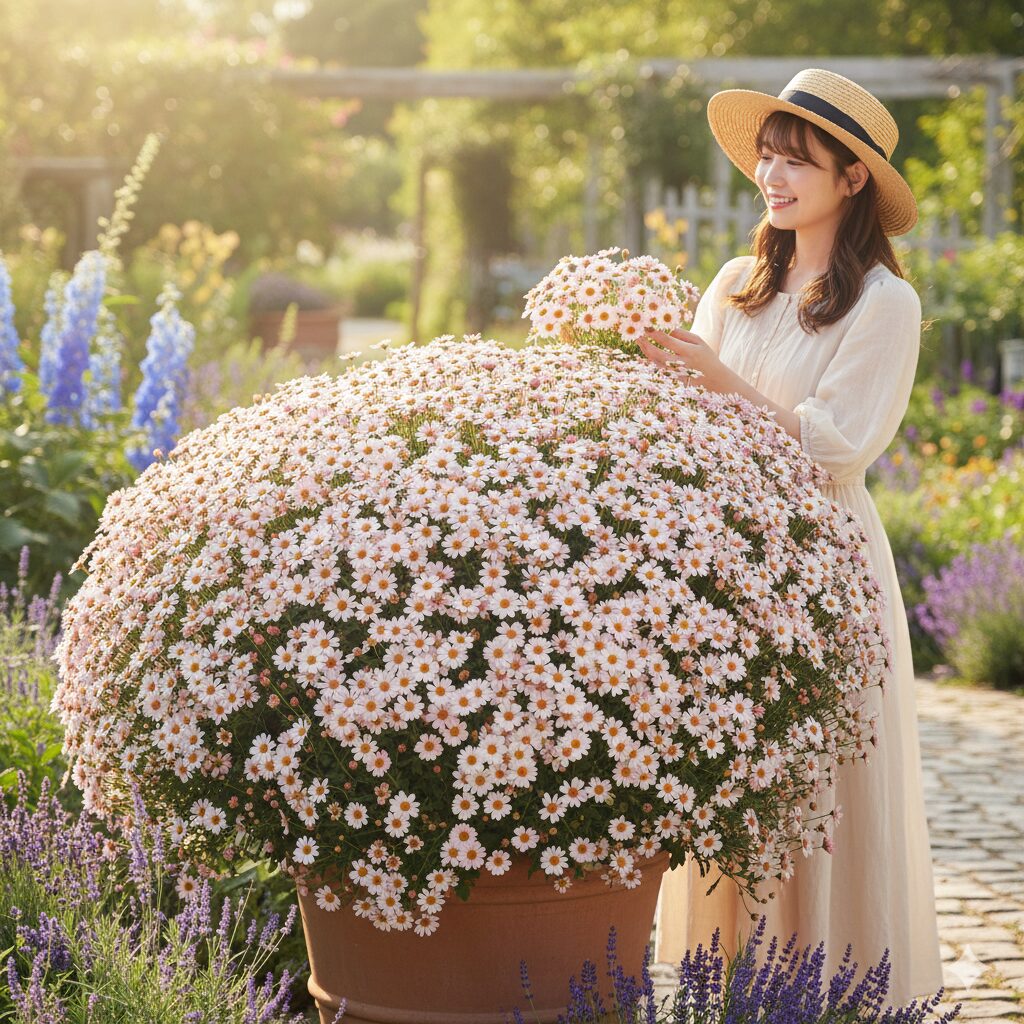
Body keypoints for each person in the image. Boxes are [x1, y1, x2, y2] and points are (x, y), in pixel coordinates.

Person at [637, 68, 944, 1005]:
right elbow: (684, 413)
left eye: (797, 161)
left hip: (826, 562)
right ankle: (730, 989)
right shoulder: (736, 283)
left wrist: (721, 386)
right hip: (729, 559)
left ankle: (839, 990)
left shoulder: (886, 304)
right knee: (739, 777)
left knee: (825, 786)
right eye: (767, 157)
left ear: (854, 179)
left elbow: (837, 444)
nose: (772, 177)